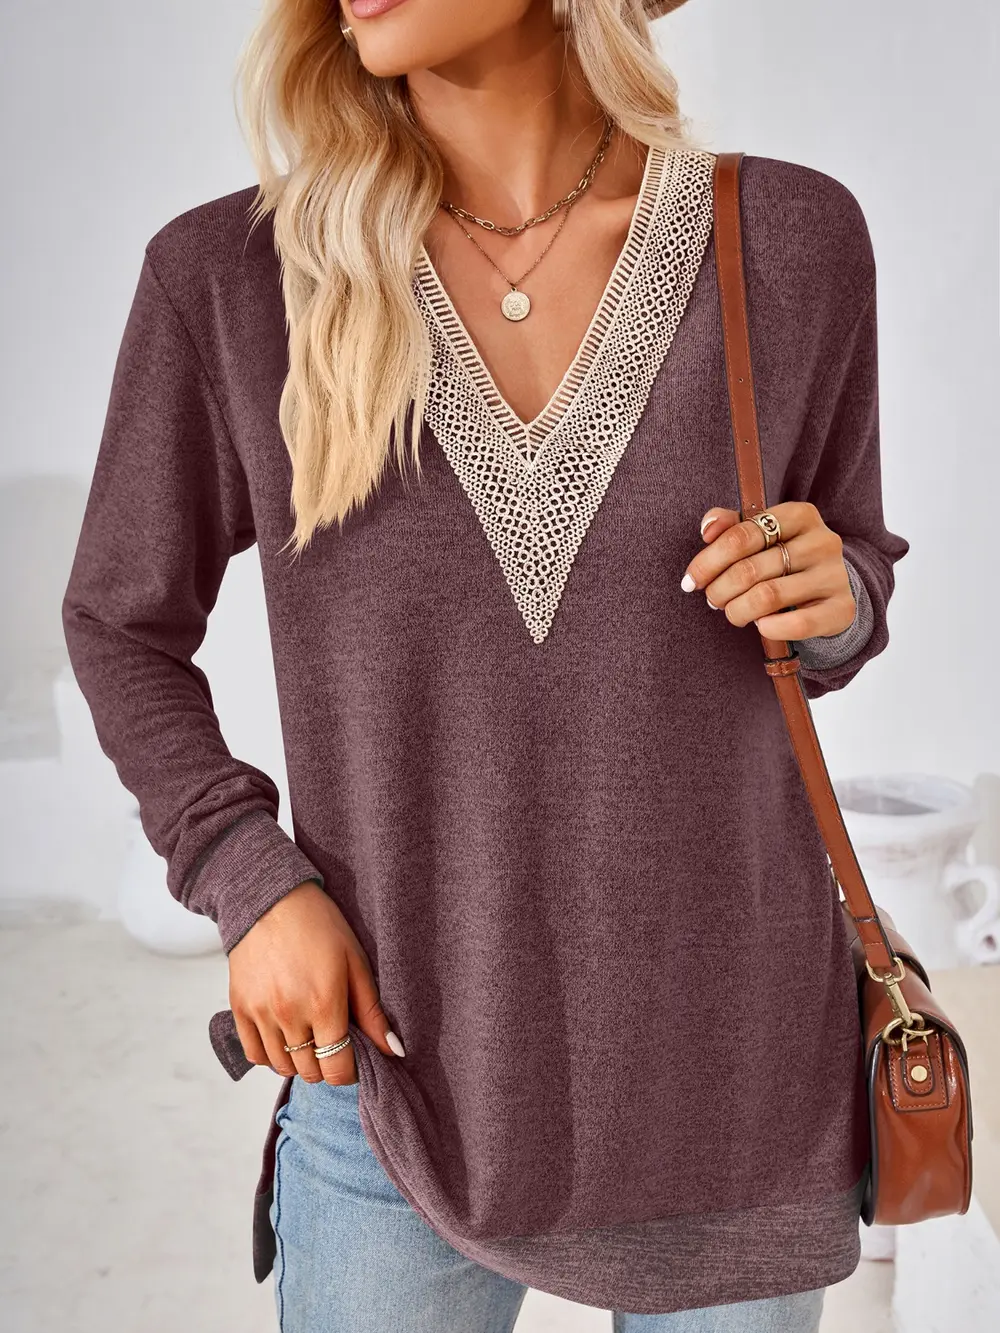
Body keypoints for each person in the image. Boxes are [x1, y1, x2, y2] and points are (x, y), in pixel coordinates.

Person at [62, 1, 910, 1329]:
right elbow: (119, 623)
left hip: (733, 1072)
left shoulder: (788, 241)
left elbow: (850, 576)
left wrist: (834, 596)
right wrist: (245, 876)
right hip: (393, 1075)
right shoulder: (233, 278)